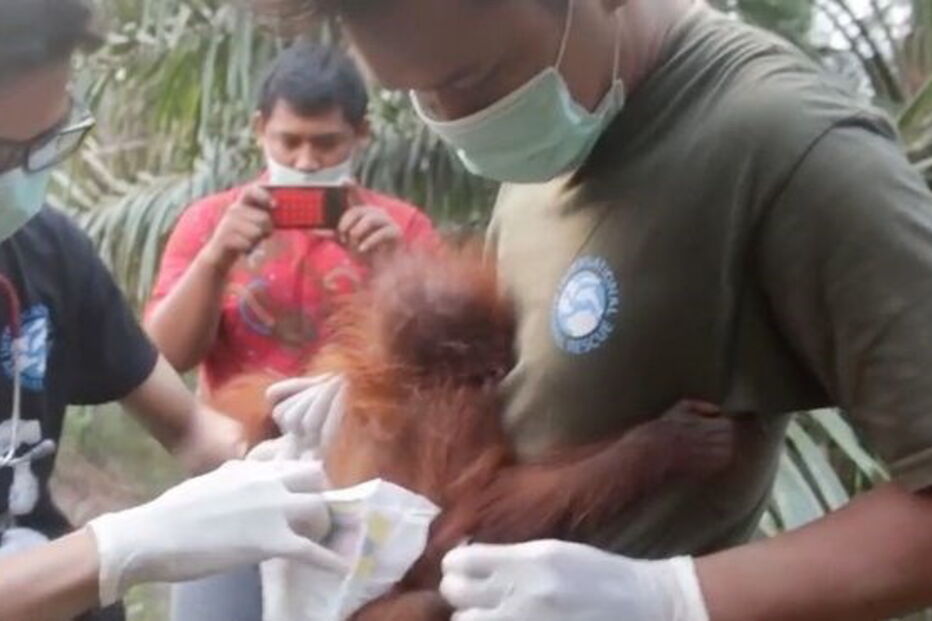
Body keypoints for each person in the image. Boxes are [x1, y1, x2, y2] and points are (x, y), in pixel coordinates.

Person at [256, 0, 932, 619]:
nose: (452, 117)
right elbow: (521, 389)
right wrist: (376, 416)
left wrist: (673, 598)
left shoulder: (791, 145)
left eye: (468, 78)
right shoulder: (561, 123)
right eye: (414, 90)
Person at [0, 1, 338, 619]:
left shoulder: (48, 252)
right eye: (2, 154)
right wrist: (132, 543)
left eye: (47, 144)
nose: (24, 176)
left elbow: (188, 428)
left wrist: (287, 465)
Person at [145, 41, 436, 405]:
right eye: (289, 141)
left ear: (362, 133)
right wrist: (215, 260)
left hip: (365, 451)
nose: (306, 162)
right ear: (260, 129)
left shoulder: (402, 230)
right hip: (239, 451)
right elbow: (162, 362)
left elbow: (442, 363)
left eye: (326, 143)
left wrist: (396, 271)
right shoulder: (209, 223)